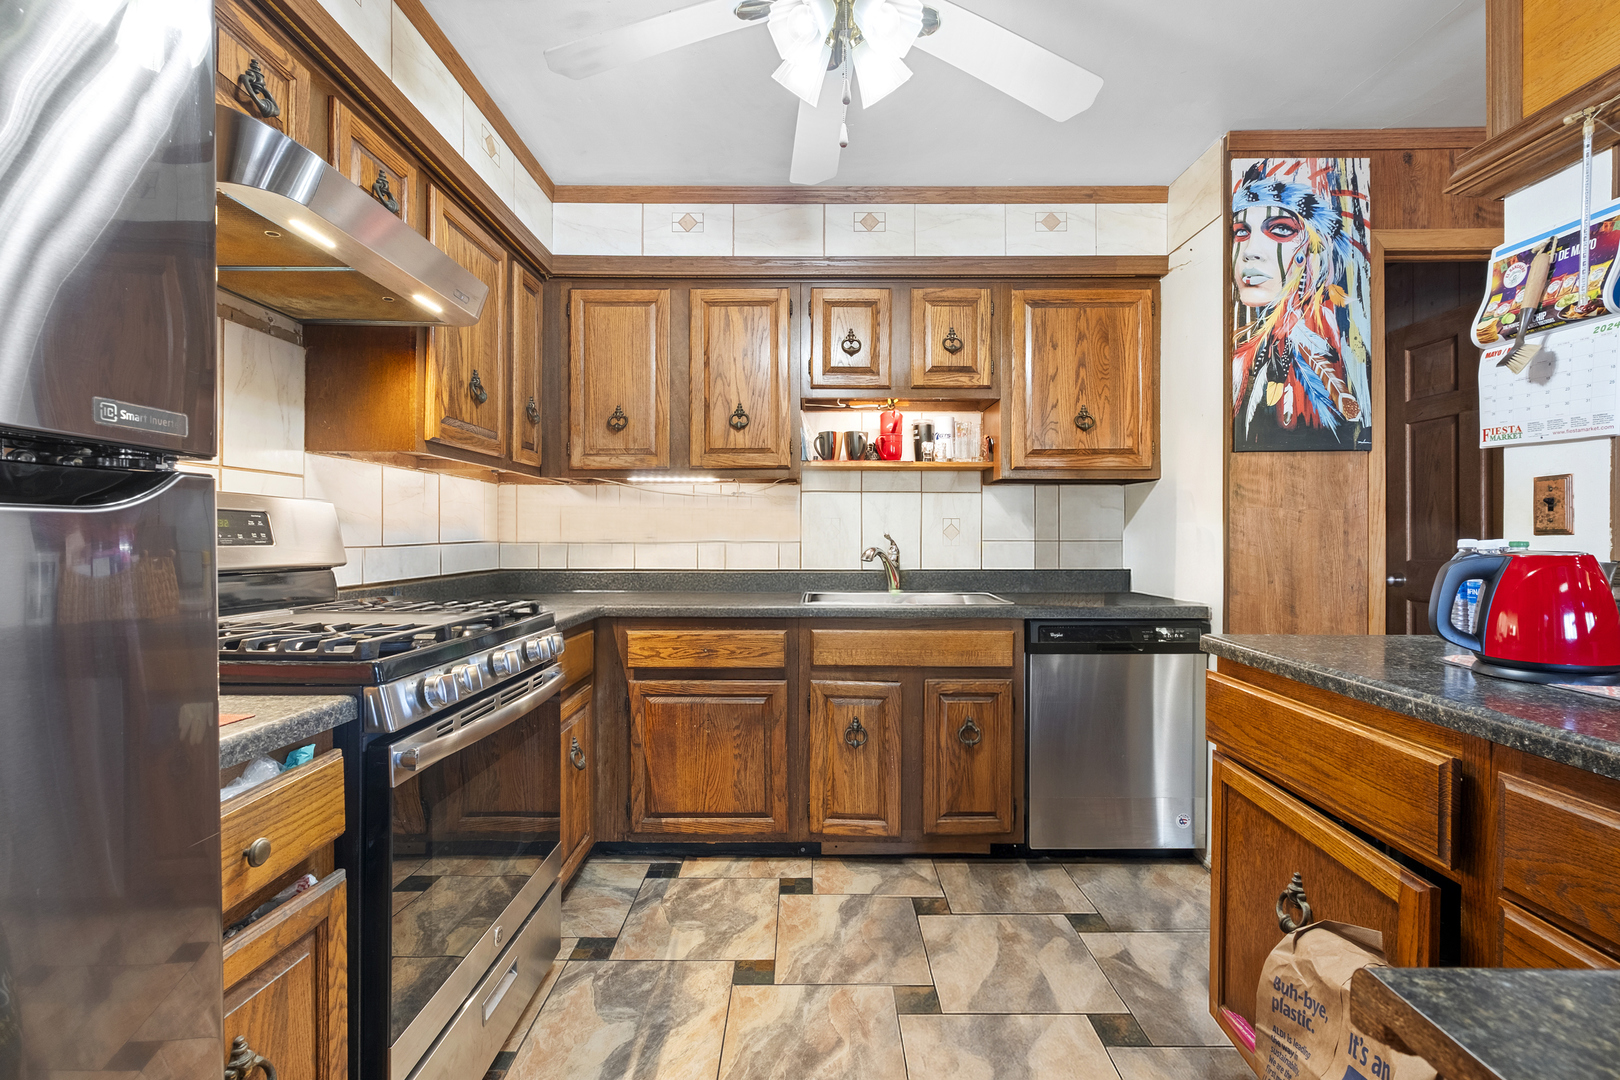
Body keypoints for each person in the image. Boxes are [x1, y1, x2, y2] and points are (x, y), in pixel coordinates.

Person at [1231, 158, 1372, 450]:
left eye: (1281, 230)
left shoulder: (1335, 342)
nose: (1249, 252)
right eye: (1241, 232)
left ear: (1313, 251)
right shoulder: (1254, 345)